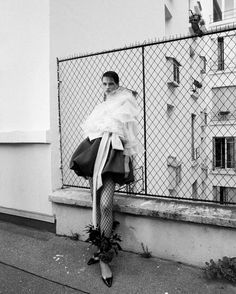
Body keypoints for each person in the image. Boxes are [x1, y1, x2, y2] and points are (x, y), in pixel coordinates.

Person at [70, 71, 141, 287]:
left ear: (118, 84)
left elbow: (129, 135)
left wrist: (128, 162)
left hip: (112, 156)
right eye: (104, 84)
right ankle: (100, 251)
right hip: (95, 153)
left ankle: (104, 259)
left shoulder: (126, 102)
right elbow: (92, 132)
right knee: (96, 205)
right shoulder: (101, 107)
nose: (108, 87)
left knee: (106, 205)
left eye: (111, 84)